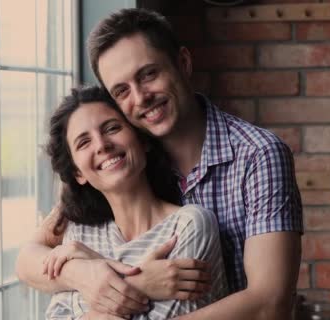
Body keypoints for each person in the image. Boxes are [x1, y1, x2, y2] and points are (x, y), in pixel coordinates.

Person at [16, 8, 303, 320]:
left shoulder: (258, 155)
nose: (140, 98)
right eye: (121, 91)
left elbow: (269, 303)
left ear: (183, 63)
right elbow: (28, 260)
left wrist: (118, 292)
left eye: (148, 74)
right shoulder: (120, 167)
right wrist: (86, 276)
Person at [41, 85, 227, 319]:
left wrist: (93, 280)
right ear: (78, 173)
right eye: (83, 143)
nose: (101, 145)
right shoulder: (80, 235)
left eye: (112, 128)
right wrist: (142, 283)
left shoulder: (189, 225)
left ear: (143, 141)